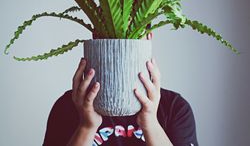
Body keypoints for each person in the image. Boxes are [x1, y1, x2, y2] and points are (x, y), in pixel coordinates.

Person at [43, 32, 198, 146]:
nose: (121, 43)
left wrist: (150, 123)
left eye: (134, 33)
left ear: (148, 39)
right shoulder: (66, 106)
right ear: (96, 39)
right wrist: (87, 126)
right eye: (110, 35)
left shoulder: (175, 108)